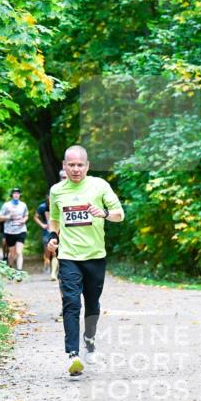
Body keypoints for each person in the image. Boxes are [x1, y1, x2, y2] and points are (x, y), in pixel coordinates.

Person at [48, 145, 124, 376]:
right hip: (69, 256)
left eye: (80, 165)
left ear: (87, 166)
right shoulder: (57, 191)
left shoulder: (100, 186)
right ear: (64, 166)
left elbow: (119, 215)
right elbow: (54, 220)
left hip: (95, 256)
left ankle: (89, 343)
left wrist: (104, 213)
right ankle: (73, 355)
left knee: (92, 305)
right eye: (71, 164)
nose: (76, 169)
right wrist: (53, 237)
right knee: (71, 304)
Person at [0, 188, 28, 270]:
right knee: (12, 253)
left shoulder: (23, 205)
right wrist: (8, 217)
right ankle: (10, 267)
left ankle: (19, 271)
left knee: (19, 252)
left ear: (20, 195)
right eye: (14, 193)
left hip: (21, 230)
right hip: (9, 232)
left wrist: (24, 220)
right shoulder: (6, 205)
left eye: (18, 193)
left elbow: (26, 215)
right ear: (11, 195)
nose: (16, 195)